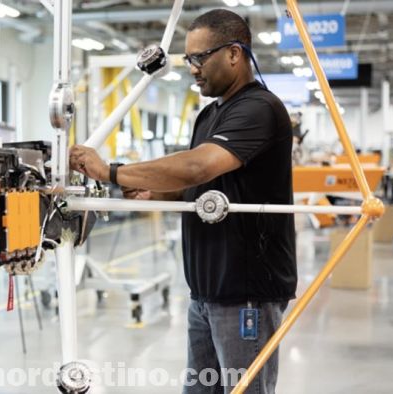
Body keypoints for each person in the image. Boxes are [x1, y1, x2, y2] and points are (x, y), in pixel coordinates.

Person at [69, 9, 297, 394]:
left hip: (246, 293)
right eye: (189, 59)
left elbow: (197, 167)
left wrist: (111, 171)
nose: (192, 68)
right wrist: (157, 192)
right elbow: (202, 184)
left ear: (234, 54)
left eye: (199, 58)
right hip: (205, 291)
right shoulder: (210, 115)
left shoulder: (259, 108)